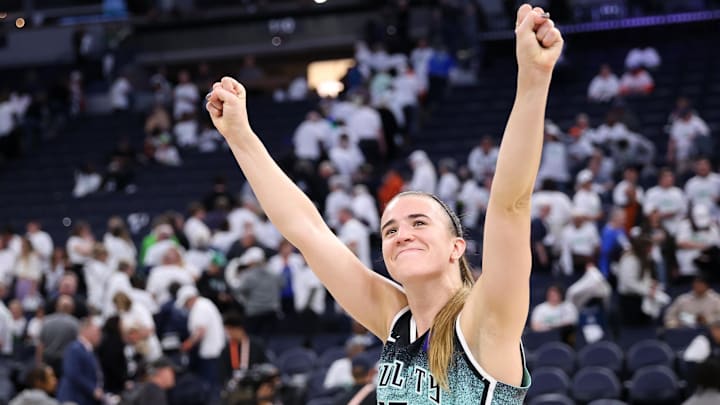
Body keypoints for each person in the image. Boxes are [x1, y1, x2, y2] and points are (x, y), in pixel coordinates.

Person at [204, 5, 562, 401]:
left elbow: (510, 205)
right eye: (390, 229)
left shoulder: (484, 320)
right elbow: (307, 230)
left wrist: (533, 78)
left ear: (456, 247)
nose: (401, 234)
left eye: (419, 223)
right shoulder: (395, 319)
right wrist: (240, 136)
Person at [56, 317, 104, 405]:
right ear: (86, 330)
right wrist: (92, 389)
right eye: (97, 332)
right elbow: (73, 373)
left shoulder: (88, 349)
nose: (99, 335)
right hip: (73, 398)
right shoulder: (75, 348)